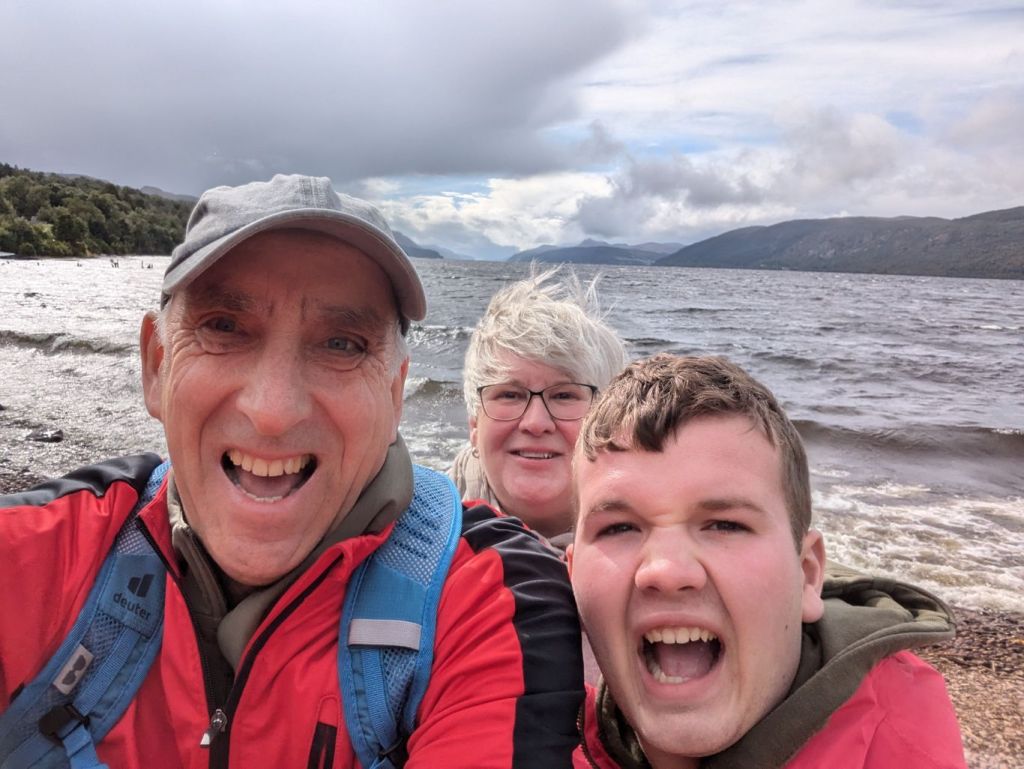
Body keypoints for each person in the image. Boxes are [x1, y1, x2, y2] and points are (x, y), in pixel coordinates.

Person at [0, 174, 583, 768]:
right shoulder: (44, 551)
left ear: (395, 394)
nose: (273, 412)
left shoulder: (496, 599)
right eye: (224, 327)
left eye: (342, 344)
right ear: (156, 366)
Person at [568, 353, 966, 769]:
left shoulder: (901, 750)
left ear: (807, 575)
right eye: (618, 528)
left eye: (725, 525)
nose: (667, 571)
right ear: (572, 577)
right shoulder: (546, 738)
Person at [450, 266, 628, 543]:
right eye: (510, 395)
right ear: (474, 425)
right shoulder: (407, 533)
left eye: (564, 396)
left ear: (610, 422)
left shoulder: (661, 550)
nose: (535, 423)